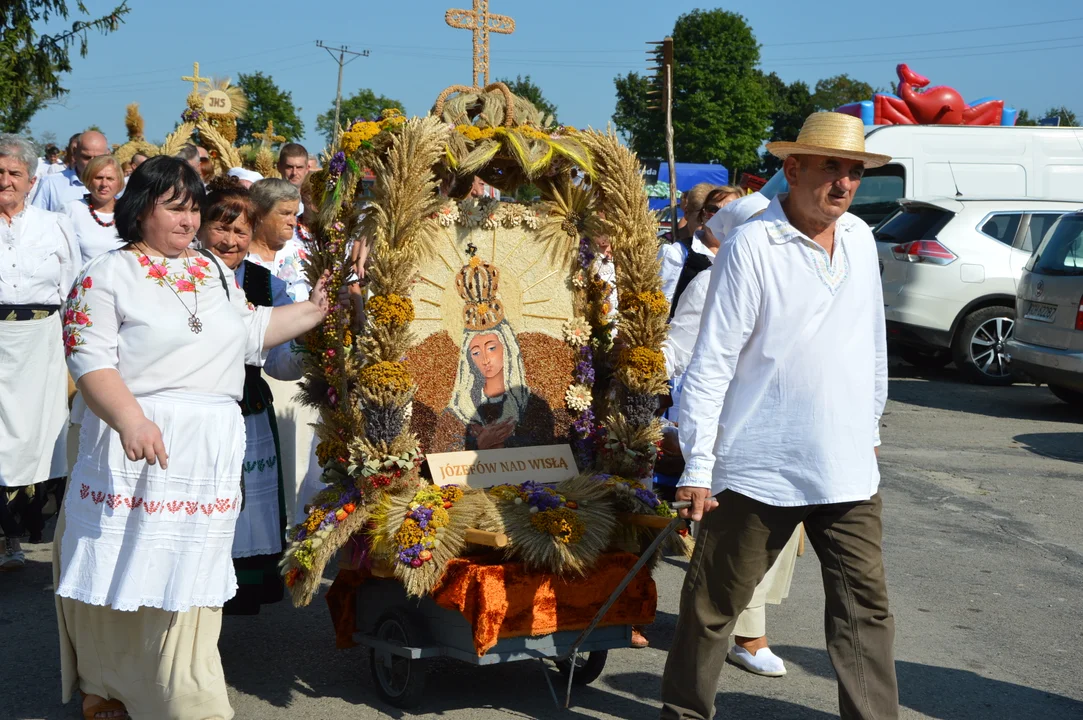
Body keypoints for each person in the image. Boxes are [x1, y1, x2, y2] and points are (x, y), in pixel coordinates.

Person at [53, 155, 331, 720]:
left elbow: (252, 332)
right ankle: (105, 683)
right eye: (173, 208)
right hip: (137, 443)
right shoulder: (105, 275)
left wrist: (314, 308)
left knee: (190, 573)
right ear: (140, 209)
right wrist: (132, 420)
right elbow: (89, 361)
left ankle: (180, 692)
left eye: (193, 209)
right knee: (121, 562)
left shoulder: (209, 270)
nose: (187, 221)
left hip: (208, 448)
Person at [659, 112, 897, 719]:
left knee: (864, 611)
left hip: (845, 464)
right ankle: (684, 712)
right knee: (714, 606)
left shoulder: (863, 239)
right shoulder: (753, 245)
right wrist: (699, 464)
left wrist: (869, 426)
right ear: (792, 170)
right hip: (760, 462)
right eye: (830, 169)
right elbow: (711, 361)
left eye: (854, 172)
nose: (844, 184)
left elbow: (872, 343)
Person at [198, 179, 302, 615]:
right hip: (198, 402)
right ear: (200, 227)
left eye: (240, 232)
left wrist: (312, 342)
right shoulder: (182, 273)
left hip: (246, 402)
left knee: (246, 504)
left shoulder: (263, 282)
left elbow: (281, 364)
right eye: (220, 228)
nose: (230, 240)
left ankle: (239, 590)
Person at [0, 134, 78, 570]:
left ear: (32, 180)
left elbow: (71, 285)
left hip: (43, 341)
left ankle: (47, 532)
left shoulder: (55, 225)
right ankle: (6, 537)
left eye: (14, 173)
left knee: (44, 438)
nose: (6, 180)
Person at [667, 185, 743, 318]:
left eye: (728, 210)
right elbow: (660, 306)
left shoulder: (744, 257)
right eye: (712, 209)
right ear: (703, 215)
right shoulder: (678, 253)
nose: (718, 216)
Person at [248, 178, 308, 302]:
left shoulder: (303, 254)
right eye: (285, 213)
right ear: (260, 214)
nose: (293, 222)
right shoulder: (239, 257)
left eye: (295, 214)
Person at [658, 182, 716, 303]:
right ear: (687, 214)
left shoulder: (721, 248)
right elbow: (662, 298)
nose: (704, 224)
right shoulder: (669, 246)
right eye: (699, 219)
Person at [62, 155, 124, 265]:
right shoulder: (71, 209)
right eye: (98, 178)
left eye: (110, 179)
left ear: (119, 182)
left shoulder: (129, 212)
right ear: (88, 180)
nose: (104, 184)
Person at [33, 131, 110, 212]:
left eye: (98, 158)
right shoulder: (50, 184)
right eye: (87, 157)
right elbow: (36, 221)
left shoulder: (116, 188)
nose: (92, 163)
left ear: (108, 155)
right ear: (75, 153)